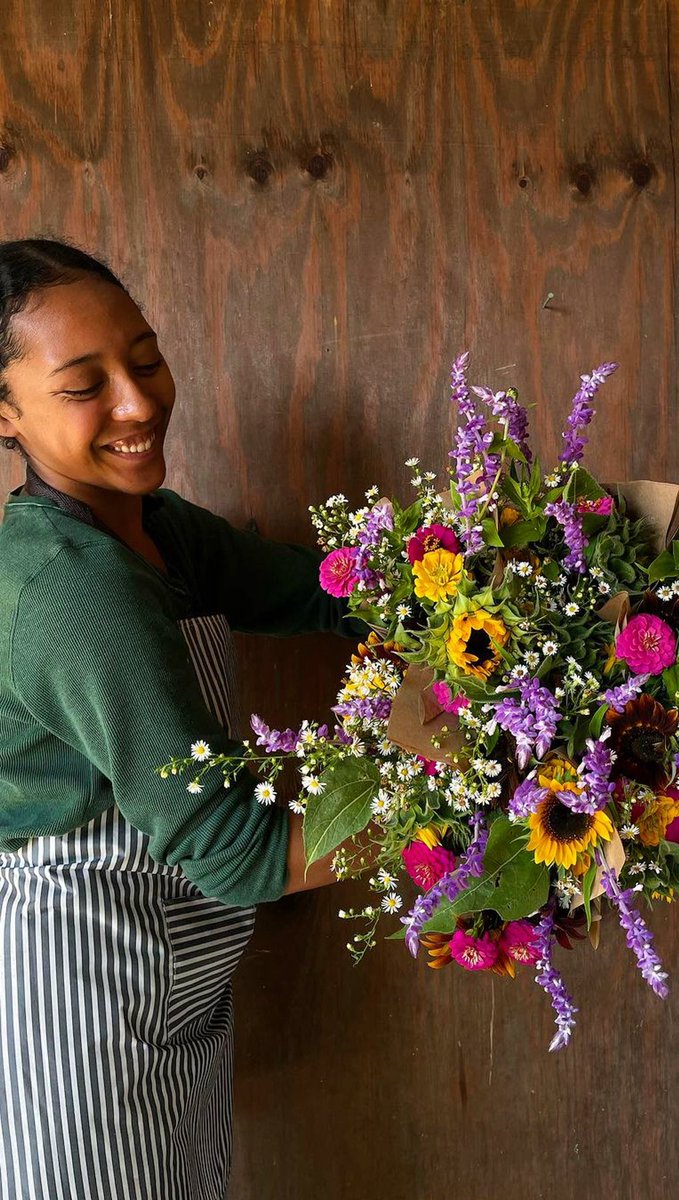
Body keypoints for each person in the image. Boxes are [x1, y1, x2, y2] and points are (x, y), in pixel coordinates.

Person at [0, 238, 363, 1199]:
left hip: (170, 968)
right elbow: (235, 851)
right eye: (85, 387)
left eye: (147, 358)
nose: (138, 402)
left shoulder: (150, 527)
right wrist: (466, 816)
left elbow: (321, 590)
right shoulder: (69, 587)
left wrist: (511, 600)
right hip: (76, 978)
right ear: (5, 415)